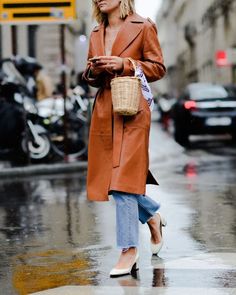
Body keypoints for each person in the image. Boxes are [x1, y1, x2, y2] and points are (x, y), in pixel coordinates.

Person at [83, 0, 166, 277]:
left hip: (131, 108)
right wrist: (94, 71)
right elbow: (91, 76)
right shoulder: (96, 32)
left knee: (124, 180)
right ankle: (152, 215)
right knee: (112, 178)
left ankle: (129, 250)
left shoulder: (143, 26)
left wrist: (125, 64)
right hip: (105, 108)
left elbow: (157, 67)